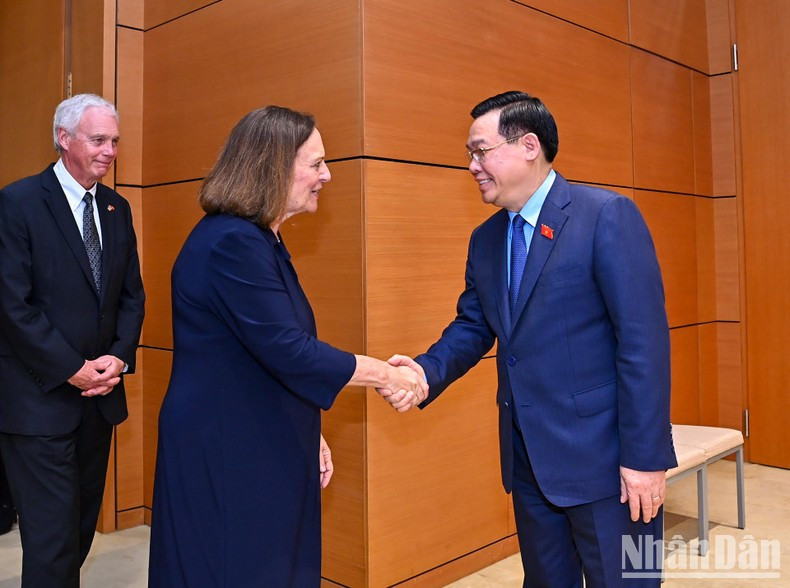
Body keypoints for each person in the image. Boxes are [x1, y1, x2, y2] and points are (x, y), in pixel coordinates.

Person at [389, 91, 677, 586]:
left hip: (611, 469)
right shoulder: (485, 239)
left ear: (528, 145)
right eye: (469, 155)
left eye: (481, 151)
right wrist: (424, 371)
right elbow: (474, 325)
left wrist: (645, 459)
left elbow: (643, 344)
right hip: (530, 465)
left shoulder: (606, 215)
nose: (472, 165)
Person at [148, 106, 427, 587]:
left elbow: (261, 352)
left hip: (254, 435)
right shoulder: (231, 242)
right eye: (316, 163)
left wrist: (305, 428)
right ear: (273, 166)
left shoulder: (260, 240)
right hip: (225, 447)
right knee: (237, 566)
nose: (328, 175)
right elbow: (290, 350)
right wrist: (385, 374)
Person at [0, 94, 145, 587]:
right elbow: (13, 307)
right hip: (38, 401)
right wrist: (72, 367)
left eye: (115, 141)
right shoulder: (16, 203)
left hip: (98, 400)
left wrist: (117, 360)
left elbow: (131, 296)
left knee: (79, 534)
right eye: (98, 139)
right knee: (52, 543)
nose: (109, 151)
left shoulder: (116, 207)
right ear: (64, 139)